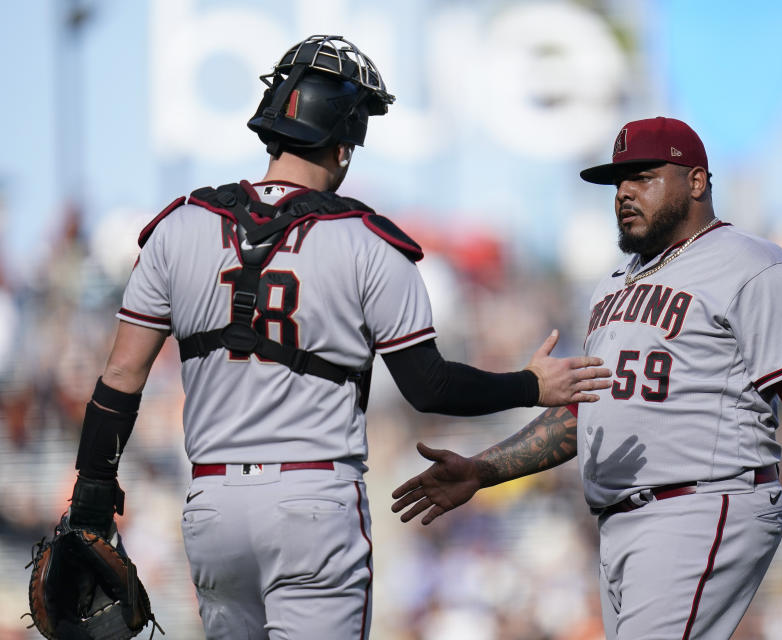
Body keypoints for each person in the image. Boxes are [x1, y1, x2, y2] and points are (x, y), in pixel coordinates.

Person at [61, 35, 611, 640]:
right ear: (345, 146)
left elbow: (120, 380)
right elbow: (428, 387)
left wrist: (90, 495)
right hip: (313, 498)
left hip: (213, 502)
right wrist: (530, 385)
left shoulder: (178, 226)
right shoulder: (370, 241)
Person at [391, 116, 782, 639]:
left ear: (695, 181)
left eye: (643, 176)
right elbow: (587, 413)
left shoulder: (753, 264)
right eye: (618, 181)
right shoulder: (611, 287)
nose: (624, 192)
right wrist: (482, 471)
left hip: (701, 504)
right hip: (622, 522)